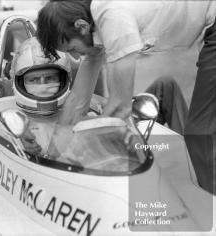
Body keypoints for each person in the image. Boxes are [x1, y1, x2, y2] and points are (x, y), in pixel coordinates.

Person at [36, 0, 216, 194]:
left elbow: (120, 107)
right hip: (208, 31)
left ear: (82, 26)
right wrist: (50, 159)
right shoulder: (95, 28)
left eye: (72, 48)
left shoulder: (111, 15)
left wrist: (79, 156)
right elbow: (77, 102)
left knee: (200, 133)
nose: (76, 56)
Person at [9, 37, 73, 156]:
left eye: (51, 78)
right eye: (34, 79)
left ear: (65, 79)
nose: (43, 87)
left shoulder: (76, 115)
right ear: (19, 82)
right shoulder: (11, 124)